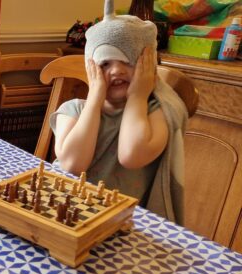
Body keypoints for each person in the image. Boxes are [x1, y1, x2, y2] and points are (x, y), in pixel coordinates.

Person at [49, 0, 188, 224]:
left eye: (129, 61)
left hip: (119, 224)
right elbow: (73, 165)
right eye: (104, 64)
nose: (116, 70)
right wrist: (95, 96)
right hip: (64, 213)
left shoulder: (158, 113)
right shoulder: (72, 110)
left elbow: (131, 155)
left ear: (149, 67)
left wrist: (137, 97)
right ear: (90, 68)